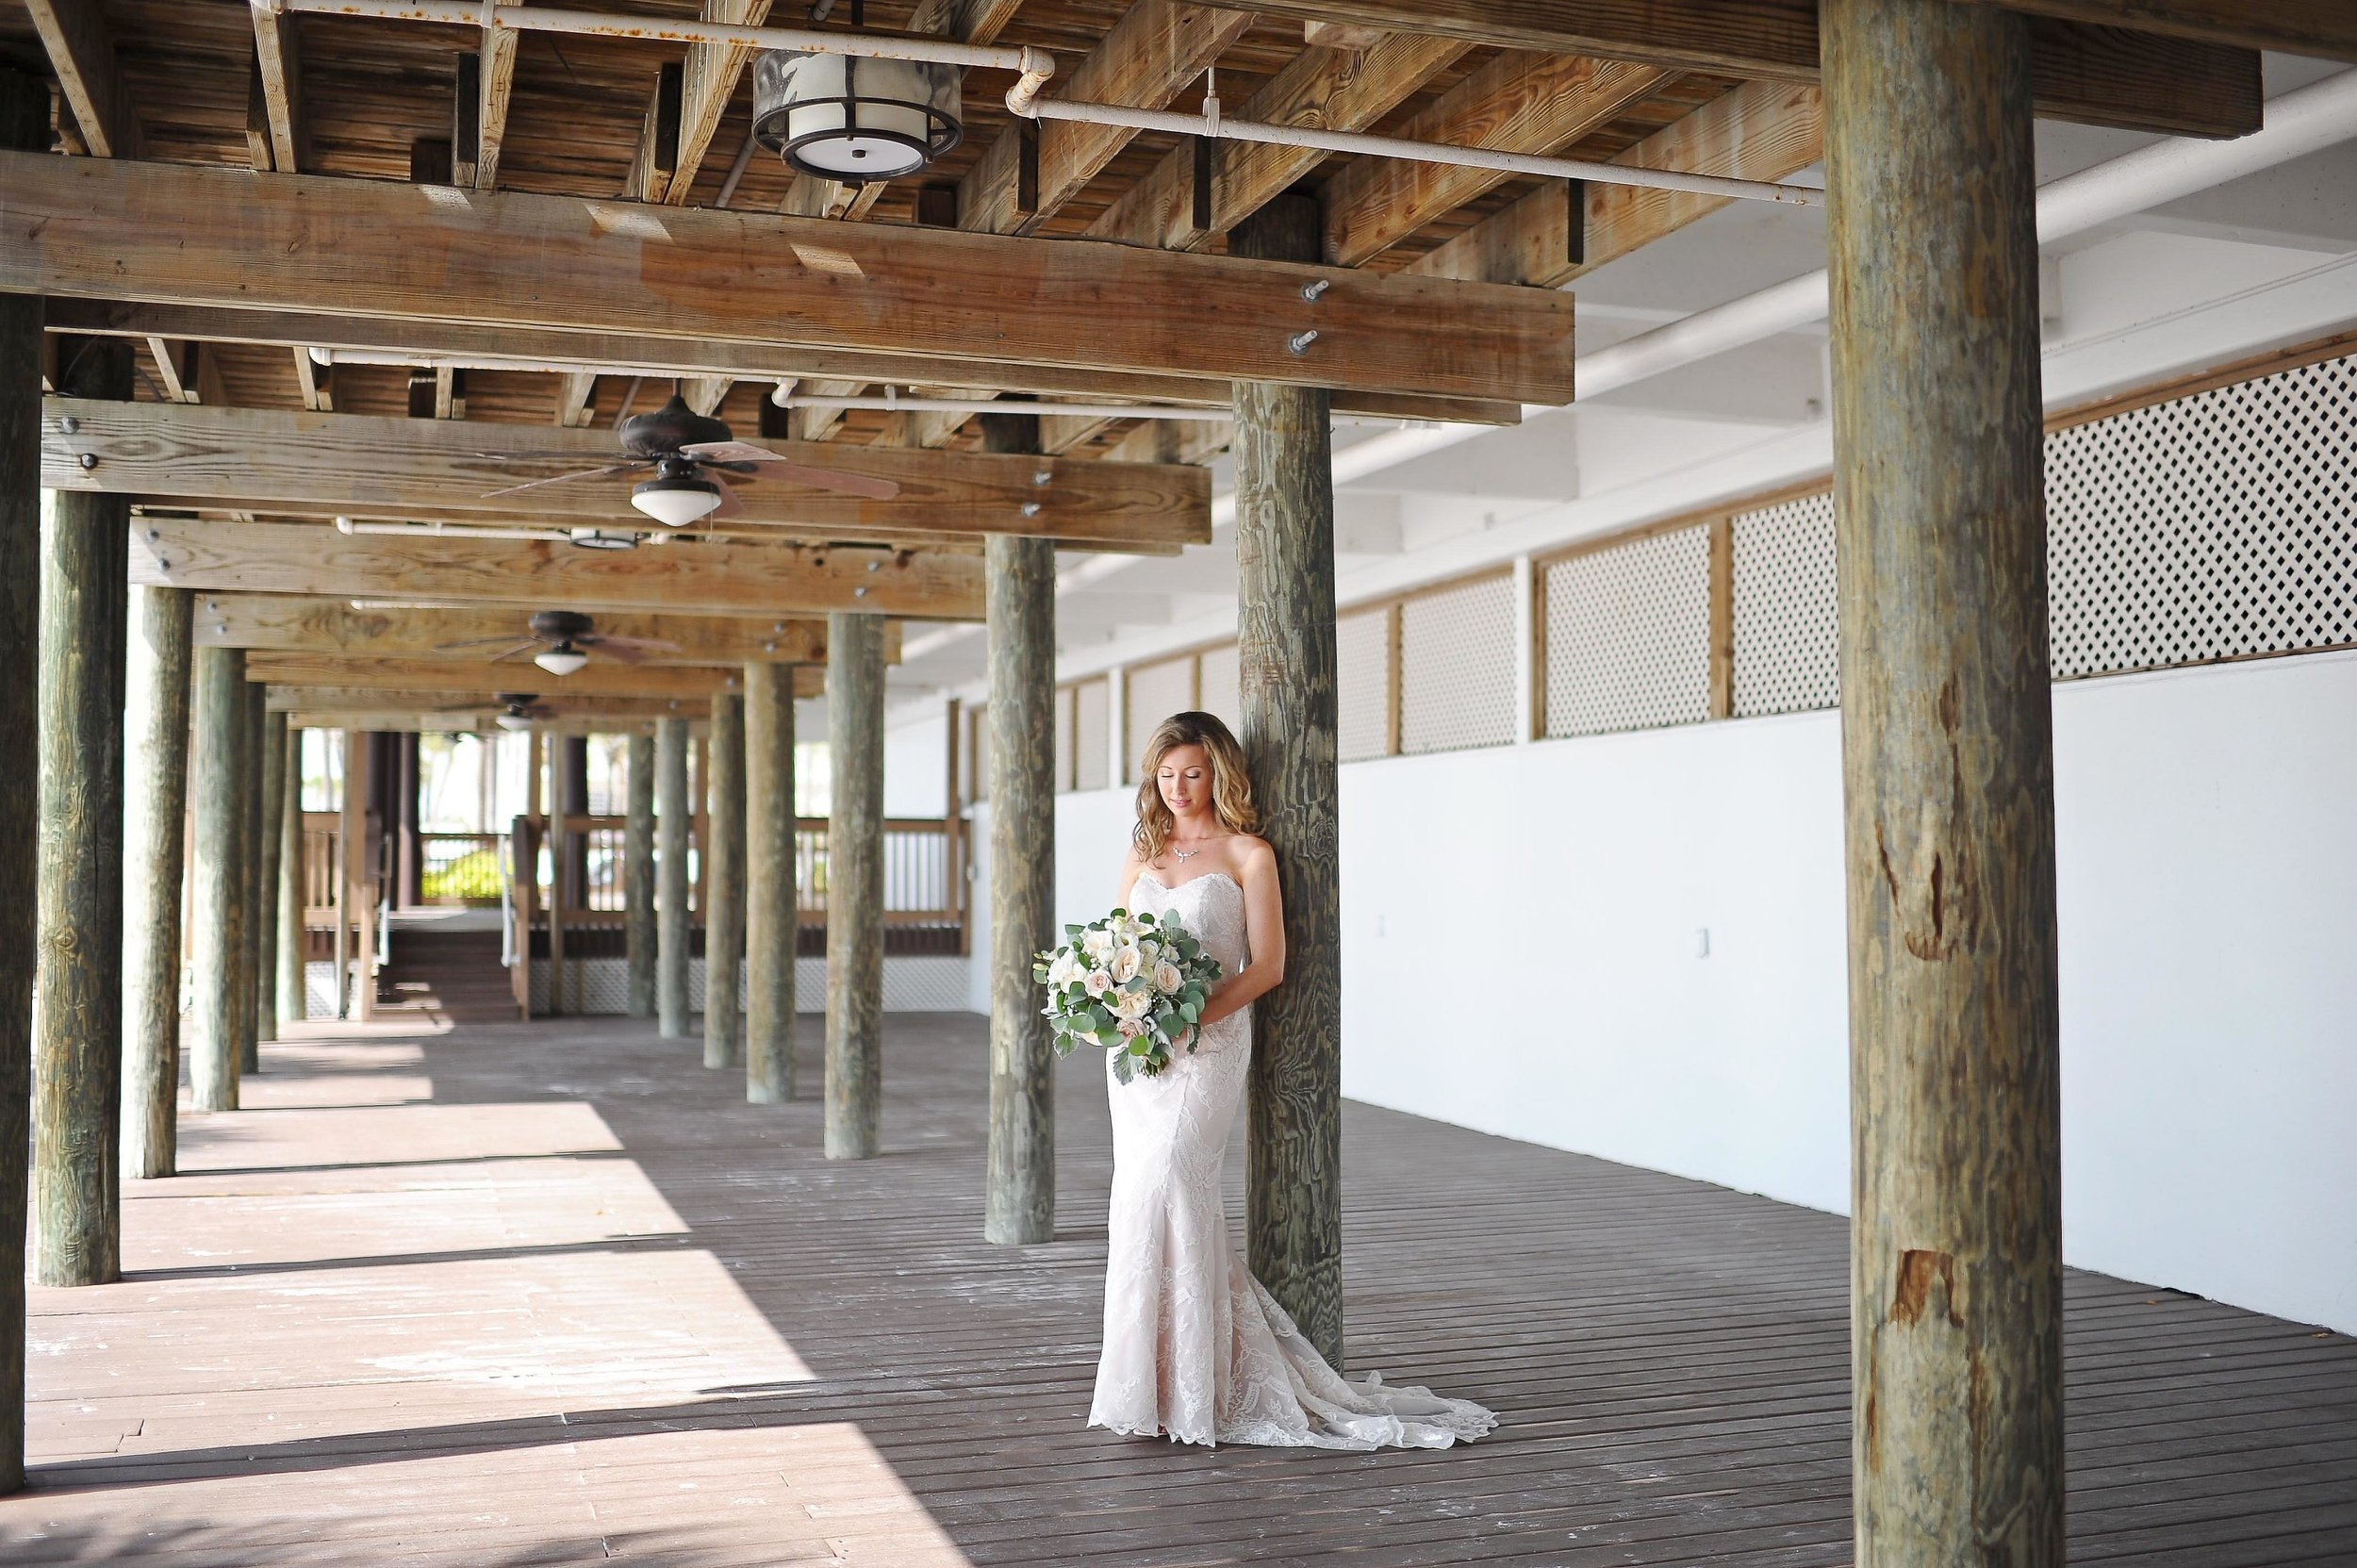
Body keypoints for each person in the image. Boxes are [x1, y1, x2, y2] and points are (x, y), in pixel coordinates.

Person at [1087, 711, 1498, 1449]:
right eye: (1167, 774)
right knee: (1141, 1200)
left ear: (1219, 773)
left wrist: (1194, 1016)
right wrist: (1121, 1011)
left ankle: (1197, 1388)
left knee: (1175, 1184)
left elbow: (1269, 965)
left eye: (1194, 772)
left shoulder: (1249, 853)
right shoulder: (1143, 850)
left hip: (1208, 1048)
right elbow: (1119, 948)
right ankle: (1147, 1384)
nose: (1178, 787)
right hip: (1140, 1058)